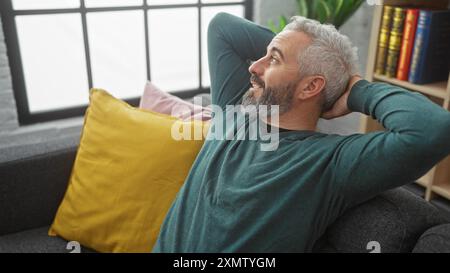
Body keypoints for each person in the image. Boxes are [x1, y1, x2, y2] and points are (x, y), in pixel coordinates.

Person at [152, 13, 450, 252]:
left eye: (274, 59)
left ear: (310, 87)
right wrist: (309, 63)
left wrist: (356, 88)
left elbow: (433, 130)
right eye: (264, 55)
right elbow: (222, 27)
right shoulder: (233, 109)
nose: (254, 66)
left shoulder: (330, 163)